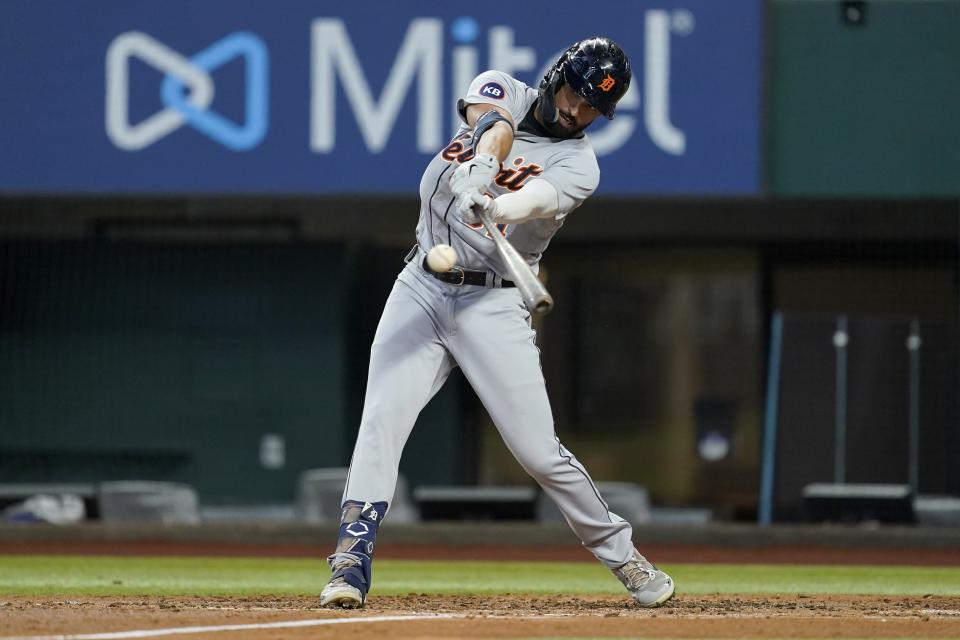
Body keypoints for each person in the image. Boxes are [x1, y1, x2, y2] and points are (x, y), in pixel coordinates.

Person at [319, 36, 675, 609]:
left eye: (592, 109)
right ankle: (350, 562)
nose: (577, 112)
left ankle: (622, 553)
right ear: (558, 74)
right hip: (422, 285)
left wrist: (495, 203)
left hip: (494, 302)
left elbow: (534, 199)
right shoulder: (504, 88)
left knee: (537, 451)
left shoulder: (580, 164)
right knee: (382, 420)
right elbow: (495, 121)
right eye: (575, 95)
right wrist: (483, 165)